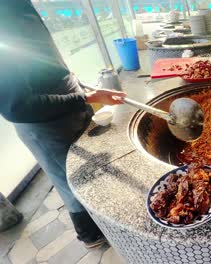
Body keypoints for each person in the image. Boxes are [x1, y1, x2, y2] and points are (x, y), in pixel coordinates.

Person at [0, 1, 126, 248]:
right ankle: (90, 233)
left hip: (65, 106)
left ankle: (103, 221)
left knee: (87, 174)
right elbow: (18, 106)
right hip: (44, 123)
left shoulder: (17, 6)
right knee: (70, 179)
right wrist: (86, 97)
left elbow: (40, 59)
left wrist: (76, 84)